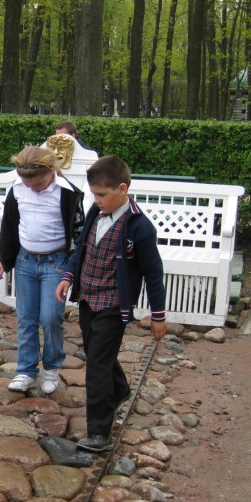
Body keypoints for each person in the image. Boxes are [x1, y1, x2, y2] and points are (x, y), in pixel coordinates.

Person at [55, 155, 167, 452]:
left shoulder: (139, 227)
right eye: (94, 193)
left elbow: (153, 273)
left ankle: (99, 432)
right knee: (95, 353)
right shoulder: (96, 212)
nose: (96, 199)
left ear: (122, 188)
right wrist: (68, 275)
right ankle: (119, 390)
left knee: (97, 367)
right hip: (89, 298)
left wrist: (158, 316)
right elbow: (81, 249)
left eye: (102, 194)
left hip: (115, 305)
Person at [0, 146, 85, 395]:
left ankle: (52, 367)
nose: (31, 187)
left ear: (51, 171)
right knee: (26, 318)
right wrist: (5, 260)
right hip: (25, 262)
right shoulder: (17, 189)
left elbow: (80, 235)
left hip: (55, 263)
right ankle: (26, 370)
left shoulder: (69, 194)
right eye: (27, 182)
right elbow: (10, 227)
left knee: (51, 317)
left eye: (37, 183)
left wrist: (70, 272)